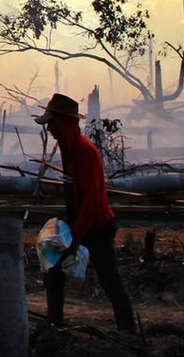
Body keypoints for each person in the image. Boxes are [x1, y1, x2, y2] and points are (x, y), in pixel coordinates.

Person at [34, 93, 135, 332]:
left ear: (65, 122)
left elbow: (91, 200)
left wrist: (76, 239)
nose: (49, 129)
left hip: (96, 227)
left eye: (52, 123)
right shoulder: (68, 148)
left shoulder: (83, 151)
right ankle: (55, 327)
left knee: (110, 283)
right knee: (54, 275)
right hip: (80, 224)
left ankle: (129, 333)